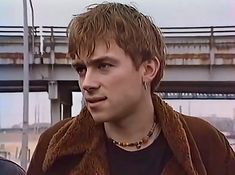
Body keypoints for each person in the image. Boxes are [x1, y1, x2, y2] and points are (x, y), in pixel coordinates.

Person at [27, 2, 235, 175]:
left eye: (104, 66)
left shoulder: (204, 143)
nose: (87, 83)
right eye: (81, 69)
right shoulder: (55, 147)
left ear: (148, 69)